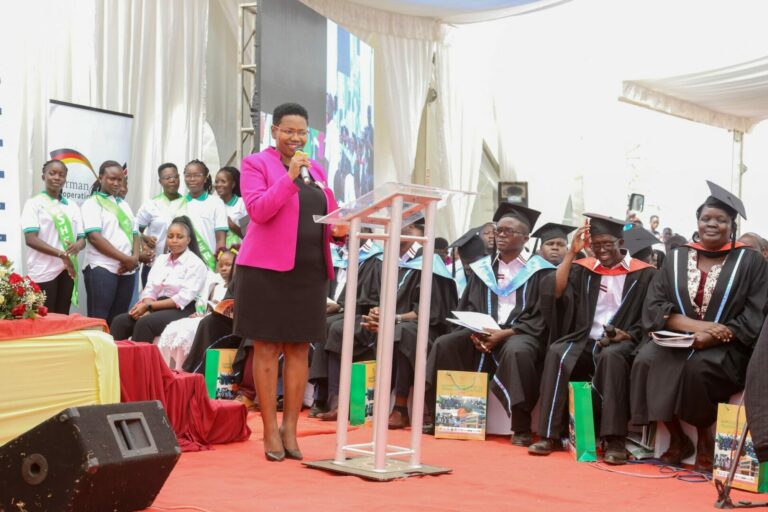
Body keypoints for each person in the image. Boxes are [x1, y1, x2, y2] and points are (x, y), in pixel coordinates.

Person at [630, 181, 768, 472]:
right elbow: (655, 306)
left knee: (698, 368)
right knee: (644, 360)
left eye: (721, 220)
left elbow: (754, 313)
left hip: (728, 345)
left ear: (732, 225)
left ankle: (705, 440)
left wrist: (715, 336)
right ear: (697, 222)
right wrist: (699, 328)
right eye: (706, 219)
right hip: (677, 338)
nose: (713, 225)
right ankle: (679, 439)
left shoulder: (751, 261)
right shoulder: (677, 256)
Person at [233, 102, 342, 462]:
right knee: (266, 348)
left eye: (302, 132)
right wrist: (289, 177)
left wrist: (342, 230)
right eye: (289, 131)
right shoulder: (256, 165)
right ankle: (268, 430)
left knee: (298, 349)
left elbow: (330, 216)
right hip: (266, 271)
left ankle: (291, 429)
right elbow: (260, 210)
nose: (296, 138)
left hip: (308, 272)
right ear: (274, 131)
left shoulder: (318, 171)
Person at [528, 213, 656, 465]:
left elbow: (650, 316)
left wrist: (627, 334)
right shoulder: (584, 270)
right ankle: (550, 434)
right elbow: (555, 290)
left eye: (607, 243)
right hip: (585, 339)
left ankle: (614, 440)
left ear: (621, 242)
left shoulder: (644, 274)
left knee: (612, 357)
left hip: (623, 341)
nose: (602, 250)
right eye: (596, 245)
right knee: (557, 351)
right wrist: (570, 254)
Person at [426, 204, 556, 444]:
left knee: (518, 351)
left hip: (520, 332)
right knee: (445, 344)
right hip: (483, 331)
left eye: (509, 231)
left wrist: (504, 334)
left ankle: (521, 424)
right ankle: (447, 416)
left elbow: (541, 317)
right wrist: (475, 331)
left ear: (525, 238)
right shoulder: (484, 268)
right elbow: (470, 307)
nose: (502, 235)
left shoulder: (540, 271)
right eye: (499, 230)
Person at [110, 216, 207, 342]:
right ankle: (118, 361)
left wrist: (150, 307)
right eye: (170, 236)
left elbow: (183, 298)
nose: (174, 240)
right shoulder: (161, 259)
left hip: (182, 308)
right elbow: (150, 288)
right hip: (156, 305)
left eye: (179, 237)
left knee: (145, 323)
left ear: (188, 240)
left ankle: (140, 362)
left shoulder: (196, 263)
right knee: (120, 321)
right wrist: (146, 305)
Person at [21, 160, 86, 313]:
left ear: (65, 179)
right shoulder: (33, 204)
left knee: (62, 314)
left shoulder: (72, 206)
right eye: (52, 173)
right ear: (44, 176)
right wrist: (60, 254)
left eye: (61, 175)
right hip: (43, 269)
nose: (57, 177)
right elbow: (30, 239)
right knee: (44, 316)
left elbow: (82, 238)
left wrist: (78, 245)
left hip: (66, 269)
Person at [81, 160, 141, 324]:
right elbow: (94, 238)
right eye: (111, 179)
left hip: (126, 270)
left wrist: (134, 258)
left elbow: (135, 235)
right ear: (101, 178)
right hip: (102, 268)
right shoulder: (92, 203)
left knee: (118, 320)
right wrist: (126, 259)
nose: (116, 183)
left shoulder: (125, 205)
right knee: (99, 320)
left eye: (119, 179)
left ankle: (115, 350)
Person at [157, 248, 236, 368]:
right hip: (208, 317)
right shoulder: (215, 286)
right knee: (176, 326)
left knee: (188, 331)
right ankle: (172, 367)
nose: (223, 268)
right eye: (220, 265)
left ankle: (187, 367)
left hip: (220, 323)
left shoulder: (236, 288)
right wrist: (202, 312)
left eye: (228, 265)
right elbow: (208, 307)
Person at [135, 163, 185, 287]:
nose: (172, 180)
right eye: (167, 178)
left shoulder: (188, 203)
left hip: (182, 266)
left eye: (175, 176)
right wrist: (145, 239)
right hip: (154, 264)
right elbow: (135, 231)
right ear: (160, 181)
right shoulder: (151, 204)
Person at [181, 159, 228, 270]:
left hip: (207, 264)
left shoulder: (216, 203)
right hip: (182, 265)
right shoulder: (178, 204)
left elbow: (221, 240)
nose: (192, 179)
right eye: (188, 175)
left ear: (206, 177)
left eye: (197, 175)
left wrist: (218, 263)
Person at [215, 166, 248, 246]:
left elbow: (248, 235)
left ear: (233, 184)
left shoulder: (242, 204)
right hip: (216, 254)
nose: (219, 185)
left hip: (238, 254)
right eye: (216, 182)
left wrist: (232, 225)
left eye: (223, 181)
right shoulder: (213, 204)